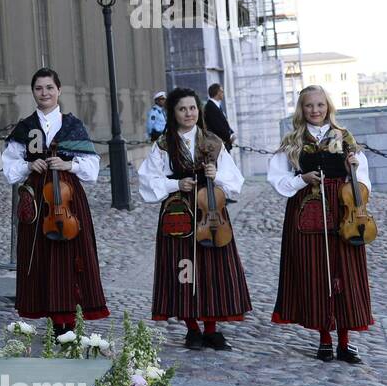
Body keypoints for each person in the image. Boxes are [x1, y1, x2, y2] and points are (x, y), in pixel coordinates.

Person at [137, 88, 252, 350]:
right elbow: (147, 180)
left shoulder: (212, 141)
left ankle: (211, 329)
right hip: (178, 211)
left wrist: (216, 175)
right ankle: (191, 328)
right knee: (183, 268)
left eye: (192, 108)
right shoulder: (164, 145)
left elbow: (235, 182)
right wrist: (176, 183)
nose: (188, 113)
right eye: (182, 109)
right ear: (173, 113)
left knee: (212, 269)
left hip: (211, 211)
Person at [268, 85, 374, 363]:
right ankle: (324, 340)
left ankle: (345, 341)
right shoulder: (293, 141)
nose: (315, 110)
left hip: (343, 214)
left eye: (320, 105)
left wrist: (352, 166)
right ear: (301, 110)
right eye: (309, 106)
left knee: (346, 277)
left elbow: (363, 182)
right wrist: (301, 179)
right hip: (307, 212)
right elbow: (277, 180)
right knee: (314, 276)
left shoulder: (345, 137)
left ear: (328, 107)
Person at [1, 68, 109, 332]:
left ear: (58, 90)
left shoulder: (72, 125)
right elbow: (8, 167)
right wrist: (29, 166)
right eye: (39, 88)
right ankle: (50, 316)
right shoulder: (25, 127)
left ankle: (70, 319)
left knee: (71, 256)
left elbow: (92, 166)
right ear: (33, 92)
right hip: (38, 198)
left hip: (68, 199)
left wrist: (68, 164)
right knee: (40, 256)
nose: (44, 93)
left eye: (49, 88)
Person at [202, 83, 234, 150]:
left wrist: (231, 133)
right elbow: (217, 126)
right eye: (222, 91)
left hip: (223, 143)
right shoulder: (210, 107)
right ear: (218, 92)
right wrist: (229, 137)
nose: (223, 93)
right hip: (218, 145)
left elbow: (224, 123)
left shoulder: (216, 105)